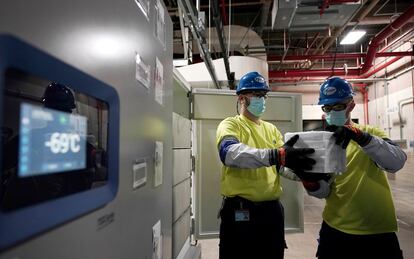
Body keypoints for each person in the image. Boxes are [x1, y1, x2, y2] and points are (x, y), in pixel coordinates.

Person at [215, 71, 316, 259]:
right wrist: (276, 155)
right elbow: (230, 154)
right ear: (242, 98)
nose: (262, 99)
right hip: (240, 211)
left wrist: (304, 174)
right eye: (257, 95)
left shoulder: (271, 130)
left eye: (264, 95)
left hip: (271, 211)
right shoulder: (230, 125)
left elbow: (281, 166)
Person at [305, 77, 407, 259]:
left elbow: (396, 162)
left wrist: (362, 138)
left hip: (377, 230)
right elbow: (322, 192)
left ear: (351, 105)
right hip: (335, 228)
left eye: (337, 107)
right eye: (327, 108)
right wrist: (309, 180)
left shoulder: (371, 134)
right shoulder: (322, 143)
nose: (331, 112)